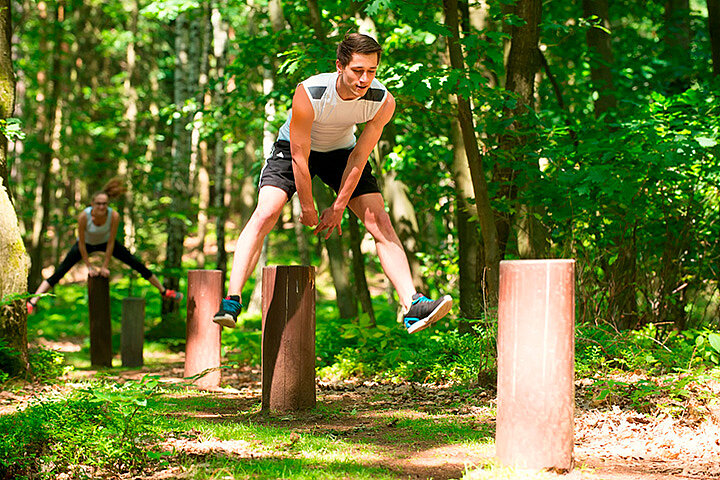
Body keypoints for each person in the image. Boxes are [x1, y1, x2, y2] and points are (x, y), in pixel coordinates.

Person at [213, 33, 452, 334]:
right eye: (358, 71)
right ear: (339, 66)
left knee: (378, 218)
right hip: (294, 150)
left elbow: (359, 158)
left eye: (372, 71)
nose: (365, 79)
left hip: (342, 153)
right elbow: (300, 156)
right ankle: (232, 300)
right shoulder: (310, 92)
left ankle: (411, 305)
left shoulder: (382, 101)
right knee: (267, 212)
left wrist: (339, 207)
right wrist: (309, 206)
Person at [26, 178, 183, 313]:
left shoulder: (113, 215)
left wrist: (104, 266)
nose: (102, 207)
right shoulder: (84, 217)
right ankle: (33, 301)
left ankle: (164, 291)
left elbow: (111, 242)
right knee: (60, 272)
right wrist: (89, 267)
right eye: (99, 204)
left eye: (105, 204)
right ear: (92, 204)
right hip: (85, 244)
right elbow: (80, 243)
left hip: (106, 243)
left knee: (136, 263)